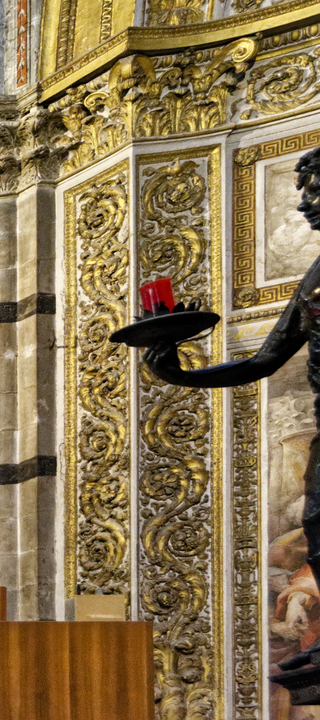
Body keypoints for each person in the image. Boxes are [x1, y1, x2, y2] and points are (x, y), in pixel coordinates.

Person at [144, 145, 320, 668]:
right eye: (303, 193)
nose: (306, 204)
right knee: (318, 522)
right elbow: (264, 360)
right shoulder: (314, 276)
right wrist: (178, 372)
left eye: (316, 190)